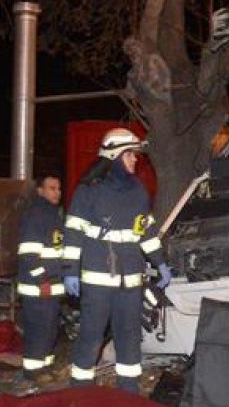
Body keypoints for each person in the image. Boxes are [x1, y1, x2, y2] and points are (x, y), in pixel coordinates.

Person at [61, 128, 172, 393]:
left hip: (130, 281)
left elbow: (145, 232)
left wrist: (160, 262)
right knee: (91, 334)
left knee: (130, 335)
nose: (136, 160)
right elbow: (73, 233)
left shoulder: (138, 192)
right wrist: (69, 271)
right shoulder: (90, 191)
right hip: (98, 279)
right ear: (116, 154)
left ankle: (128, 389)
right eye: (131, 154)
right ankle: (81, 388)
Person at [15, 175, 65, 380]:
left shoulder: (54, 215)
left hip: (52, 286)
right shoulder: (36, 216)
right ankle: (33, 372)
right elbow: (28, 254)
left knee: (50, 330)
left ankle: (47, 367)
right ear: (40, 191)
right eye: (51, 188)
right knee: (38, 330)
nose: (57, 192)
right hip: (38, 287)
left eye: (59, 188)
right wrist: (42, 280)